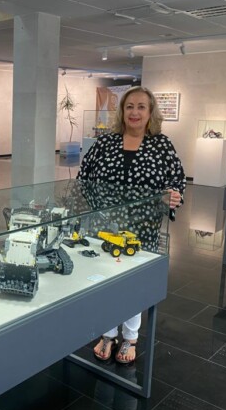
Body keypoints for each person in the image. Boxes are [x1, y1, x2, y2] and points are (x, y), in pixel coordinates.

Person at [77, 86, 186, 364]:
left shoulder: (162, 145)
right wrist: (90, 208)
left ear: (150, 113)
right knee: (105, 279)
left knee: (133, 284)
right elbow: (83, 177)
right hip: (104, 228)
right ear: (122, 111)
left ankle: (130, 336)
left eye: (141, 107)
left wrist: (173, 196)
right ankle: (107, 333)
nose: (134, 112)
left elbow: (177, 181)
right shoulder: (105, 143)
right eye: (129, 106)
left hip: (142, 229)